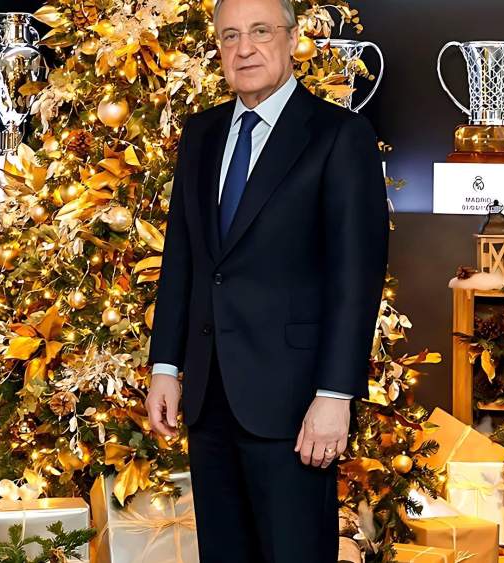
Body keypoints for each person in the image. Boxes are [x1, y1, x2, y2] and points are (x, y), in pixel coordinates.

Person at [145, 0, 389, 560]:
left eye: (259, 31)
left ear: (292, 37)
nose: (244, 48)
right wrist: (165, 365)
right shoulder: (202, 133)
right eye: (229, 36)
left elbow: (356, 277)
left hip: (295, 405)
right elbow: (184, 257)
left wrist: (335, 395)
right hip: (209, 401)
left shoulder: (338, 135)